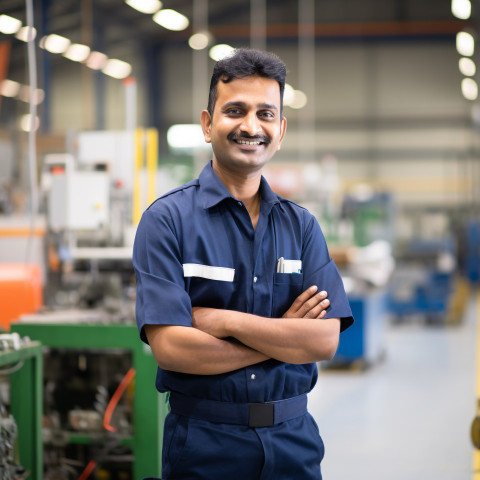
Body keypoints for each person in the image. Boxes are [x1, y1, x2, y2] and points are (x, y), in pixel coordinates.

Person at [133, 48, 354, 480]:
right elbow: (172, 348)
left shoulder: (302, 227)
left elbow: (324, 341)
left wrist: (223, 320)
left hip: (294, 443)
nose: (251, 126)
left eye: (265, 114)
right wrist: (282, 338)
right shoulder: (166, 221)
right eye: (235, 111)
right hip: (203, 443)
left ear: (281, 128)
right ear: (207, 123)